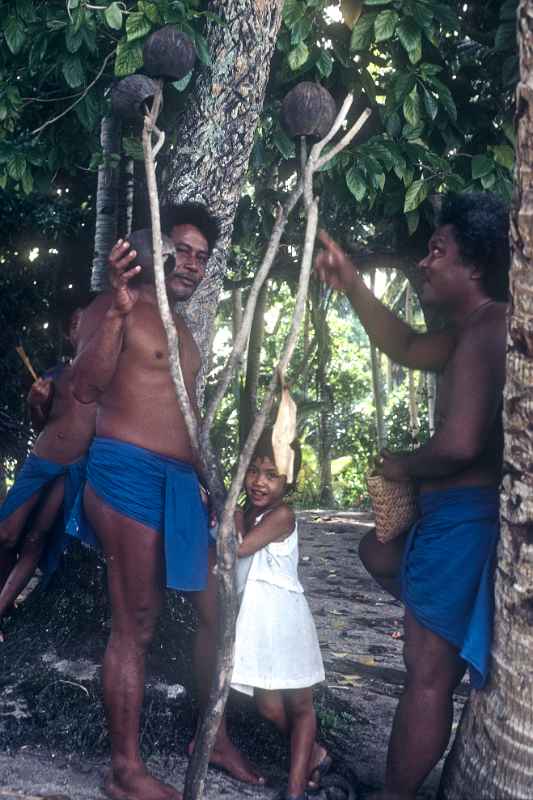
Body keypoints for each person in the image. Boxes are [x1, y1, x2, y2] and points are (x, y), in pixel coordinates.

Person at [314, 191, 509, 800]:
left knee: (427, 674)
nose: (424, 262)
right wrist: (351, 283)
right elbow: (402, 346)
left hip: (466, 521)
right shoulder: (467, 330)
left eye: (437, 250)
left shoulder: (491, 326)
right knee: (376, 553)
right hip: (449, 519)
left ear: (474, 265)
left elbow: (459, 445)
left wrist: (402, 465)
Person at [70, 204, 261, 800]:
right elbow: (84, 385)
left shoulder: (181, 328)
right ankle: (124, 771)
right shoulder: (116, 305)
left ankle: (214, 737)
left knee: (218, 609)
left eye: (202, 257)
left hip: (182, 485)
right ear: (156, 251)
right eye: (182, 251)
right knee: (137, 622)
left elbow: (189, 415)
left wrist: (217, 488)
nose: (192, 265)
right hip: (127, 473)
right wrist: (117, 312)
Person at [231, 428, 330, 800]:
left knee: (300, 705)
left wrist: (234, 515)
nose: (259, 481)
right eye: (254, 471)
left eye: (271, 475)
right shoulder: (252, 513)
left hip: (286, 620)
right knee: (269, 707)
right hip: (258, 623)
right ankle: (314, 753)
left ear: (288, 483)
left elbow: (239, 548)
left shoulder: (282, 515)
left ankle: (295, 789)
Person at [0, 305, 95, 639]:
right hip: (40, 461)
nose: (82, 327)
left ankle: (2, 608)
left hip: (72, 469)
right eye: (75, 323)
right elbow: (40, 424)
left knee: (36, 539)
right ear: (68, 334)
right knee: (6, 534)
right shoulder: (54, 375)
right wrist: (34, 403)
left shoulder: (105, 380)